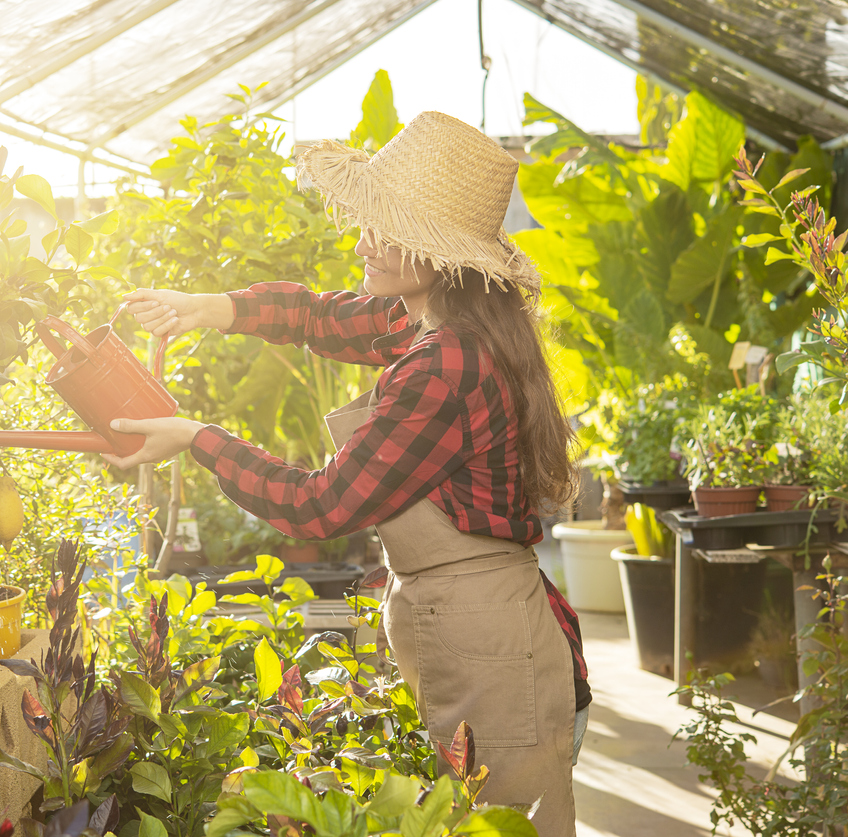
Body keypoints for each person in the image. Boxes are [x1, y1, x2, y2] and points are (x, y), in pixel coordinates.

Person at [102, 112, 590, 836]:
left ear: (434, 248)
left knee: (501, 824)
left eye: (383, 227)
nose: (361, 241)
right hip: (481, 628)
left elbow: (319, 506)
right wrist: (207, 308)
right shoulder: (437, 319)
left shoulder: (446, 361)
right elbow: (323, 317)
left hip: (490, 640)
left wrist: (197, 438)